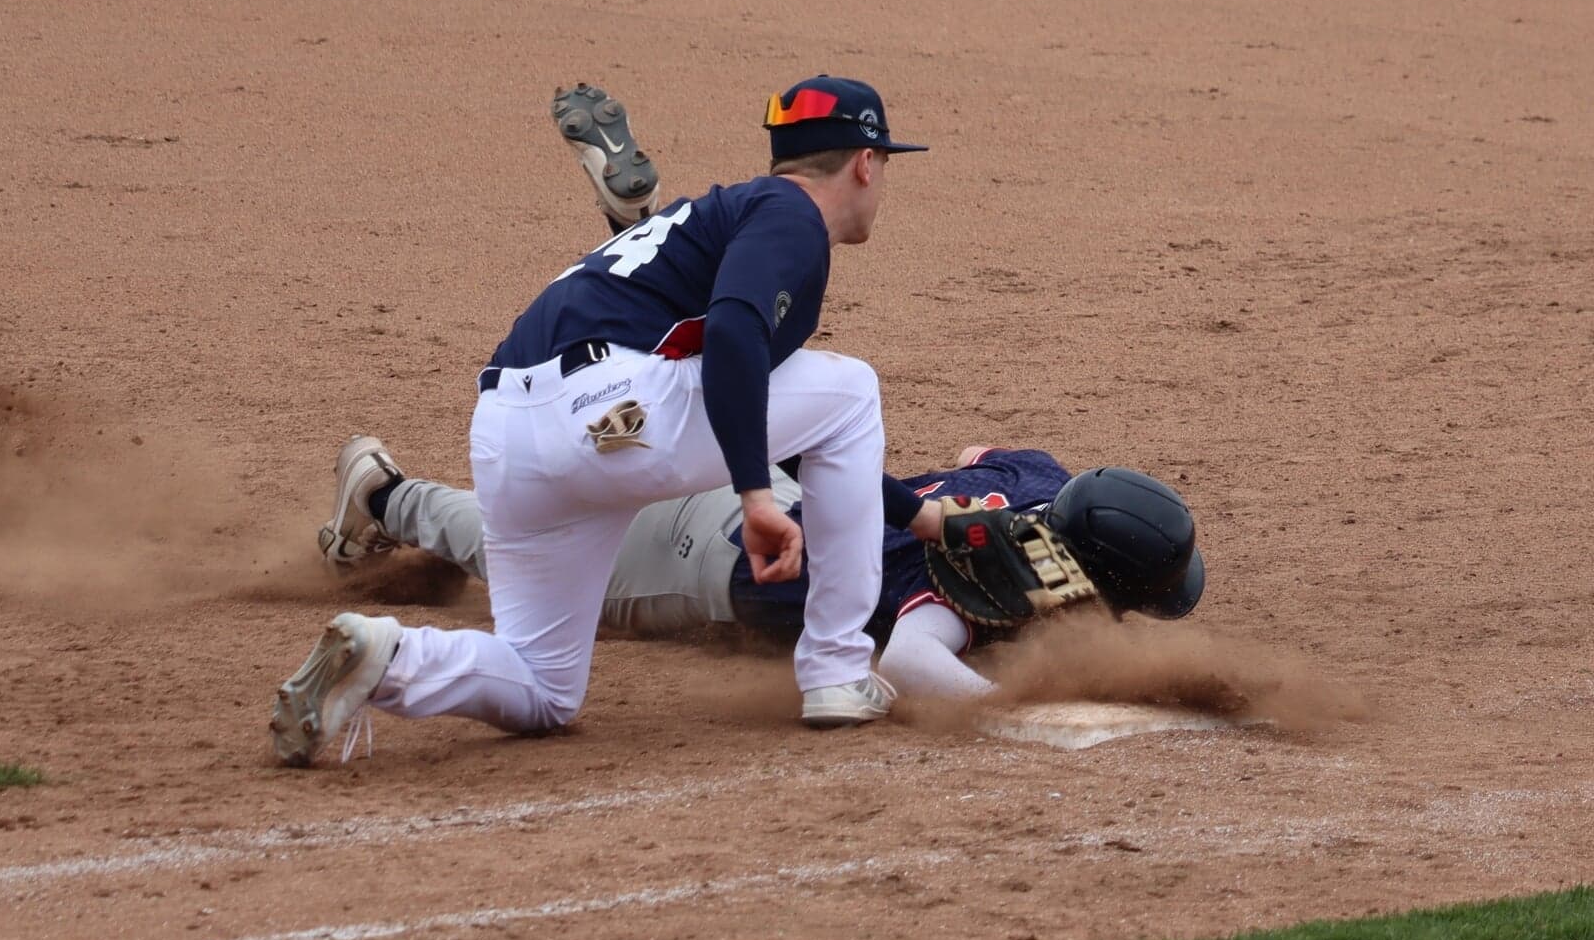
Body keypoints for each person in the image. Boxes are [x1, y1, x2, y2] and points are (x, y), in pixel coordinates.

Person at [272, 76, 935, 766]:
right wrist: (755, 496)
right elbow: (738, 332)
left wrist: (918, 517)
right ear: (863, 161)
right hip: (614, 410)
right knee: (852, 388)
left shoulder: (709, 222)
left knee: (543, 686)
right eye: (883, 163)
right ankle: (835, 668)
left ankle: (389, 656)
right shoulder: (788, 214)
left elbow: (760, 413)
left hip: (511, 432)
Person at [316, 437, 1205, 705]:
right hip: (715, 555)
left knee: (594, 489)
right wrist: (1018, 704)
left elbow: (976, 451)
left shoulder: (1038, 481)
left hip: (780, 477)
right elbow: (907, 661)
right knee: (544, 560)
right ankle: (386, 495)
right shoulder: (984, 596)